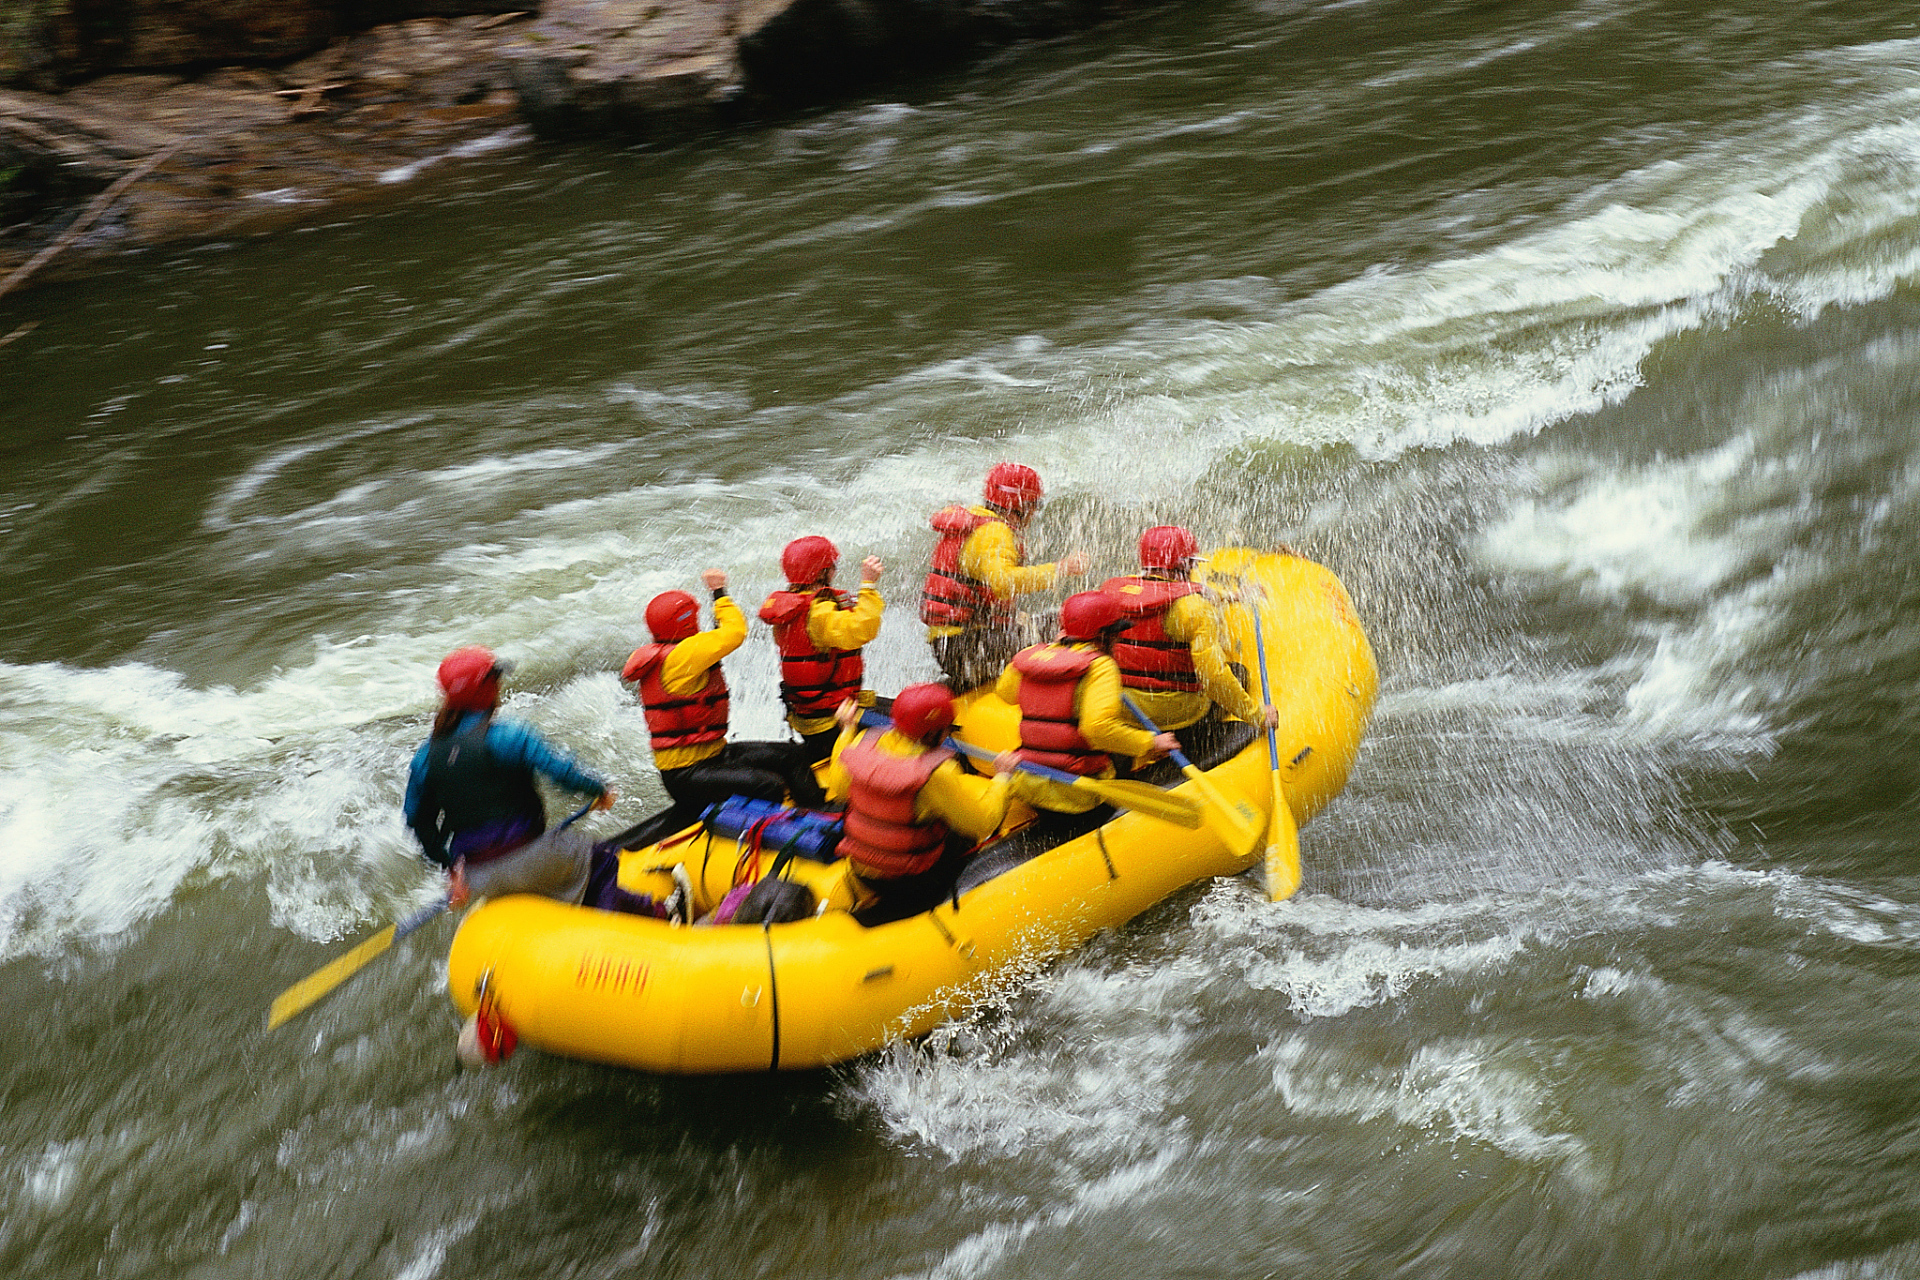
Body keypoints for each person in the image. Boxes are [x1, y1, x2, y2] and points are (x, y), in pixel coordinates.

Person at [404, 646, 616, 907]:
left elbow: (417, 820)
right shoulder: (509, 735)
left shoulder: (425, 756)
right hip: (534, 859)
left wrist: (450, 868)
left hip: (477, 877)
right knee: (604, 859)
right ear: (488, 689)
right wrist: (600, 790)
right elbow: (563, 772)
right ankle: (659, 914)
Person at [623, 568, 827, 824]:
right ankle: (773, 837)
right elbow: (735, 632)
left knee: (792, 755)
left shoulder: (676, 652)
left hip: (713, 758)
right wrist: (719, 593)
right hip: (688, 776)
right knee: (768, 785)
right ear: (685, 620)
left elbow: (719, 640)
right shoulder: (682, 656)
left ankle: (821, 812)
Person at [825, 683, 1015, 921]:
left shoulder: (862, 742)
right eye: (946, 729)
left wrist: (847, 730)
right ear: (932, 733)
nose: (948, 734)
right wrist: (1003, 777)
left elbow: (838, 787)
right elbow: (983, 822)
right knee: (965, 835)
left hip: (861, 869)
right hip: (909, 880)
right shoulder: (935, 774)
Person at [993, 591, 1178, 816]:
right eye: (1115, 633)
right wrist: (1152, 743)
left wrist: (1055, 651)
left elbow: (1005, 693)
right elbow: (1097, 729)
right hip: (1079, 795)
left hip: (1029, 784)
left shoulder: (1033, 658)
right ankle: (1120, 819)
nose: (1118, 639)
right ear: (1102, 636)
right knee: (1124, 752)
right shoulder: (1101, 667)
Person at [1102, 525, 1277, 758]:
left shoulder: (1111, 595)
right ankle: (1192, 745)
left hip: (1121, 707)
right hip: (1175, 714)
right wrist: (1258, 715)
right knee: (1237, 673)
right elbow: (1213, 678)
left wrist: (1232, 596)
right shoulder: (1195, 609)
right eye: (1192, 564)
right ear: (1185, 565)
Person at [920, 462, 1091, 692]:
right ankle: (1063, 696)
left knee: (1031, 623)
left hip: (950, 647)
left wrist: (1010, 617)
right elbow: (1004, 583)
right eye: (1034, 505)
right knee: (1066, 621)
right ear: (1019, 505)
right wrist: (1062, 568)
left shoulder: (976, 522)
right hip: (970, 648)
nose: (1033, 513)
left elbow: (981, 590)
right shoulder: (996, 532)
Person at [759, 536, 885, 764]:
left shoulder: (792, 607)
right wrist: (869, 585)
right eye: (832, 567)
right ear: (820, 573)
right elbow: (861, 630)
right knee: (913, 724)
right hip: (832, 721)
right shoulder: (818, 611)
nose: (835, 571)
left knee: (891, 707)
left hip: (812, 714)